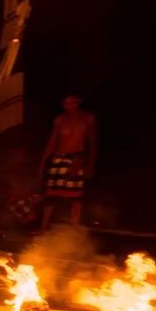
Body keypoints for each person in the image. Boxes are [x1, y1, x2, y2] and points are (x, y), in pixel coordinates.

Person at [38, 94, 97, 231]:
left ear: (78, 103)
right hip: (58, 159)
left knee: (75, 197)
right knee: (51, 195)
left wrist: (90, 165)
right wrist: (43, 163)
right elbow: (52, 142)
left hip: (76, 159)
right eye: (66, 103)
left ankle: (74, 227)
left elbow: (93, 142)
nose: (69, 106)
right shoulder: (60, 120)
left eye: (73, 102)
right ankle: (44, 226)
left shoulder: (88, 118)